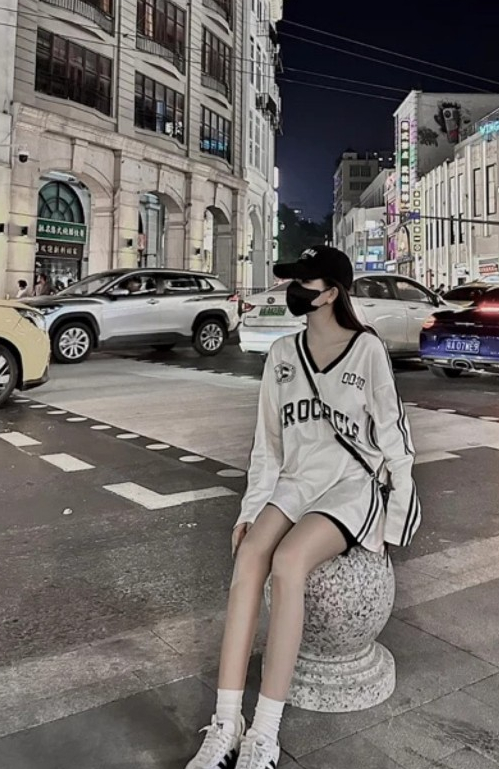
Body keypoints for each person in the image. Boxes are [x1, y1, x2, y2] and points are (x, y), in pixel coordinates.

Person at [186, 245, 422, 769]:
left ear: (331, 292)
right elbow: (267, 446)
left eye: (304, 282)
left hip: (348, 487)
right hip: (295, 483)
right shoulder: (282, 354)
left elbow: (396, 440)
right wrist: (250, 512)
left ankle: (265, 732)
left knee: (289, 561)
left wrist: (393, 525)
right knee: (250, 556)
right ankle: (225, 724)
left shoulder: (366, 349)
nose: (293, 290)